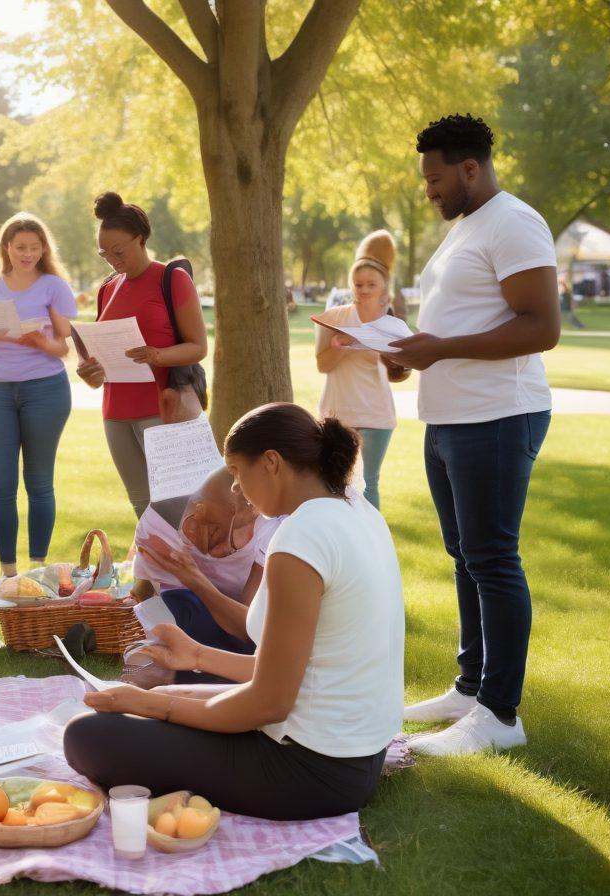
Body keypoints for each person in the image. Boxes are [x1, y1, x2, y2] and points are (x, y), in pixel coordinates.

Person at [63, 403, 404, 820]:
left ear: (272, 463)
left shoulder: (301, 538)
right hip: (354, 752)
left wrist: (155, 707)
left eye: (239, 474)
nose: (238, 492)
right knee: (167, 694)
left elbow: (269, 703)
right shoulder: (358, 510)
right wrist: (199, 657)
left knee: (88, 736)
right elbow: (305, 667)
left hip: (309, 770)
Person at [388, 114, 560, 755]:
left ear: (469, 168)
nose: (429, 191)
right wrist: (407, 351)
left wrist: (442, 347)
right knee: (466, 557)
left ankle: (500, 714)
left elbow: (541, 326)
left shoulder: (513, 221)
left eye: (435, 179)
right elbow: (460, 322)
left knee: (491, 558)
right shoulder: (467, 229)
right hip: (451, 416)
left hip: (496, 416)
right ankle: (469, 687)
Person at [76, 192, 208, 518]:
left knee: (176, 507)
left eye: (118, 251)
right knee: (142, 506)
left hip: (161, 409)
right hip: (115, 412)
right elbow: (102, 351)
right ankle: (154, 569)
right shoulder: (108, 288)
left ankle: (187, 569)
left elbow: (198, 346)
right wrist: (91, 371)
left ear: (140, 238)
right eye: (104, 254)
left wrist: (156, 355)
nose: (112, 260)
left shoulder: (171, 279)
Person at [0, 214, 77, 577]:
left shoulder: (53, 286)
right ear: (7, 249)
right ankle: (9, 574)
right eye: (20, 248)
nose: (27, 254)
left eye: (34, 247)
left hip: (45, 390)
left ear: (43, 249)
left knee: (39, 482)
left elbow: (66, 346)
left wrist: (40, 341)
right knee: (0, 486)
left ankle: (37, 568)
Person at [132, 467, 284, 658]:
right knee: (183, 607)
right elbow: (165, 606)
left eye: (235, 534)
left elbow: (249, 632)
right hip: (200, 618)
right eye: (215, 531)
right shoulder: (160, 526)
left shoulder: (273, 528)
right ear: (200, 512)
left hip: (254, 632)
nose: (222, 549)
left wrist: (196, 581)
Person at [313, 230, 410, 509]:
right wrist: (344, 343)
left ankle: (372, 546)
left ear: (384, 288)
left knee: (370, 484)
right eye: (358, 284)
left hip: (376, 415)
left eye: (371, 284)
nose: (364, 290)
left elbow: (400, 374)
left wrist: (391, 358)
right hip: (337, 413)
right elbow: (322, 364)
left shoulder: (392, 324)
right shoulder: (333, 318)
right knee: (334, 485)